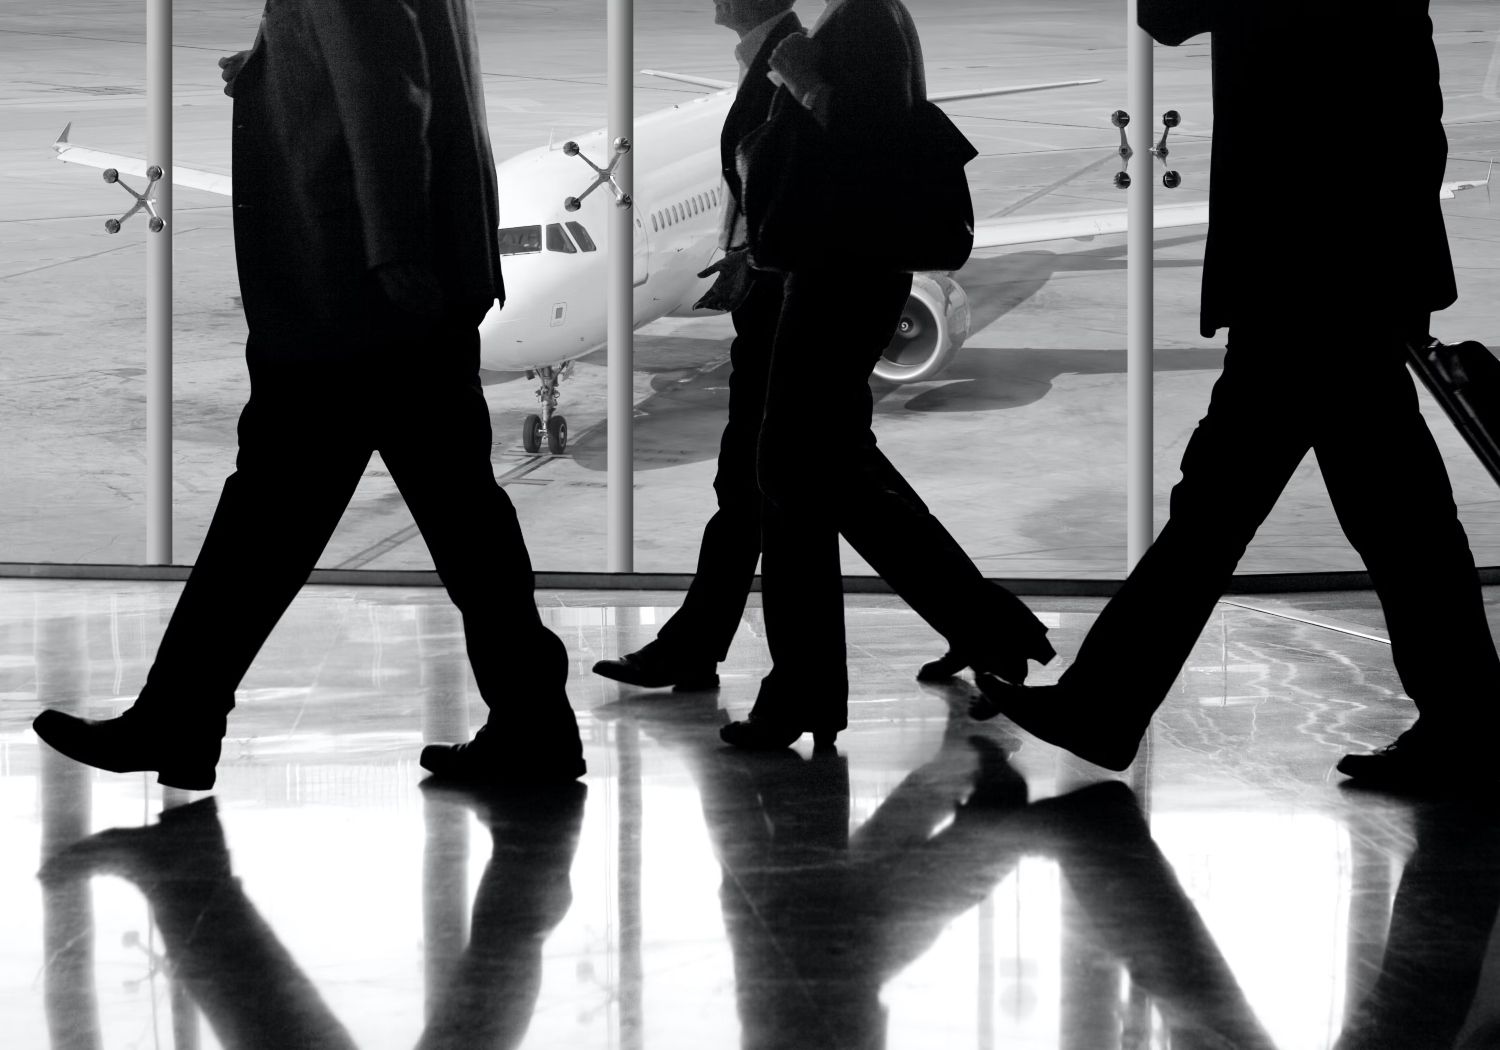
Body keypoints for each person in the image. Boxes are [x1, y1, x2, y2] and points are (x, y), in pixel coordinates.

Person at [32, 0, 584, 788]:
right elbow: (388, 65)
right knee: (456, 519)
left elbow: (390, 97)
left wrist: (392, 254)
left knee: (276, 510)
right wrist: (266, 73)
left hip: (351, 287)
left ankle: (178, 719)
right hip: (406, 280)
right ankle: (534, 723)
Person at [971, 1, 1500, 791]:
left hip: (1307, 268)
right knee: (1387, 511)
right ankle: (1472, 724)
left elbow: (1167, 11)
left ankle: (1104, 704)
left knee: (1245, 507)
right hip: (1346, 263)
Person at [718, 0, 1054, 751]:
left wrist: (802, 82)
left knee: (790, 469)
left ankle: (808, 686)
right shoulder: (866, 14)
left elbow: (866, 145)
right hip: (852, 274)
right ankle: (984, 630)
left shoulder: (861, 18)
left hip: (841, 276)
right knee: (829, 472)